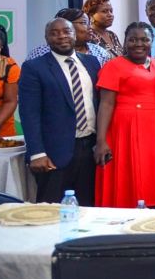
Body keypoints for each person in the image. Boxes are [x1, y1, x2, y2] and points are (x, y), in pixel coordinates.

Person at [18, 18, 101, 204]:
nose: (61, 36)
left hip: (90, 151)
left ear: (75, 34)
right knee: (50, 211)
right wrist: (37, 153)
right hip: (53, 154)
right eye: (54, 33)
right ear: (46, 39)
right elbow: (29, 113)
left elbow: (101, 103)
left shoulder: (92, 63)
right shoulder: (34, 68)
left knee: (88, 208)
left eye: (66, 31)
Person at [93, 22, 155, 207]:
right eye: (132, 40)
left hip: (154, 128)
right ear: (125, 42)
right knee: (126, 173)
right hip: (124, 128)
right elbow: (106, 104)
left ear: (151, 41)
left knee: (151, 174)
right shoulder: (113, 66)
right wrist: (101, 140)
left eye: (144, 39)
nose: (138, 44)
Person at [26, 9, 113, 66]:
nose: (90, 27)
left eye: (89, 23)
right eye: (84, 23)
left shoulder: (100, 53)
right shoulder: (40, 53)